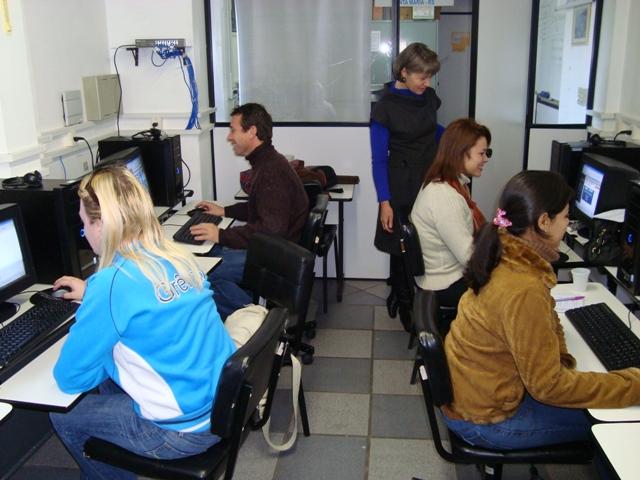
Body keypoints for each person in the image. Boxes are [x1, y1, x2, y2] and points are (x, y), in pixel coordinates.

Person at [49, 165, 237, 480]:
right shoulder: (177, 257)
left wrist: (107, 353)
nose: (85, 233)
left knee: (63, 414)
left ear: (102, 225)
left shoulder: (112, 284)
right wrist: (95, 295)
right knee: (112, 374)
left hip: (179, 432)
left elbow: (70, 379)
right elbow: (143, 297)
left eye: (85, 224)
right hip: (221, 407)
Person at [442, 170, 640, 451]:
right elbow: (548, 387)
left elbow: (546, 315)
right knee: (616, 422)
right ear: (544, 221)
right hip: (486, 420)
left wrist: (560, 358)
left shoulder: (506, 252)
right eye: (565, 217)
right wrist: (634, 384)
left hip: (473, 395)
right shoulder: (523, 287)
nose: (568, 225)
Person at [190, 103, 308, 319]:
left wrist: (221, 234)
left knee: (206, 273)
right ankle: (251, 312)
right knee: (212, 253)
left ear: (252, 131)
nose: (229, 137)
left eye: (233, 130)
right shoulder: (268, 161)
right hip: (277, 249)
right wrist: (224, 211)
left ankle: (259, 324)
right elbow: (262, 208)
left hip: (276, 258)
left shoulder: (271, 171)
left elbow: (271, 230)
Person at [370, 42, 441, 331]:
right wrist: (384, 202)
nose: (427, 83)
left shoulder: (428, 98)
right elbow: (378, 160)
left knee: (425, 244)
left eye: (430, 76)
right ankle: (405, 305)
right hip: (400, 185)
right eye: (422, 77)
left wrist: (459, 139)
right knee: (401, 246)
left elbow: (433, 131)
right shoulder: (385, 108)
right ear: (404, 72)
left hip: (429, 179)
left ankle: (413, 297)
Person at [410, 118, 491, 334]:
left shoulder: (451, 183)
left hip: (446, 272)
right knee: (509, 288)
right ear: (461, 152)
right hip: (445, 283)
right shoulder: (444, 196)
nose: (485, 159)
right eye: (481, 153)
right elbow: (469, 259)